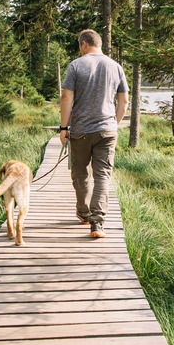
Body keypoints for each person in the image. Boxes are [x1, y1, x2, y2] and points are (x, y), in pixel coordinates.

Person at [59, 29, 129, 238]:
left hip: (80, 130)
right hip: (106, 131)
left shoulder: (76, 65)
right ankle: (97, 223)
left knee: (80, 173)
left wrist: (63, 128)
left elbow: (66, 98)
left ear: (83, 44)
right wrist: (113, 124)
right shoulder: (116, 67)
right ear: (98, 44)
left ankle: (83, 212)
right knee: (102, 175)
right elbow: (124, 102)